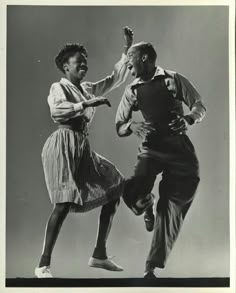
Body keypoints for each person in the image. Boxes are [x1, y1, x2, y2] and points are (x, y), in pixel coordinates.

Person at [35, 27, 134, 278]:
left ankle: (99, 254)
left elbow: (113, 79)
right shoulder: (59, 87)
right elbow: (57, 111)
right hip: (62, 144)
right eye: (79, 61)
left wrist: (126, 50)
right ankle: (43, 265)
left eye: (85, 61)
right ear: (66, 67)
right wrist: (86, 104)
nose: (84, 65)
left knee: (115, 187)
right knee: (63, 203)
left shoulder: (88, 87)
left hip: (82, 146)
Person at [115, 42, 206, 278]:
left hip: (179, 152)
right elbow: (119, 126)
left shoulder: (173, 79)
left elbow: (199, 105)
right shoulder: (132, 90)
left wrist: (188, 119)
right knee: (133, 191)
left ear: (144, 58)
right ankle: (147, 203)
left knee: (169, 209)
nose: (127, 64)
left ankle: (151, 267)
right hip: (151, 149)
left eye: (130, 59)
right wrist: (131, 125)